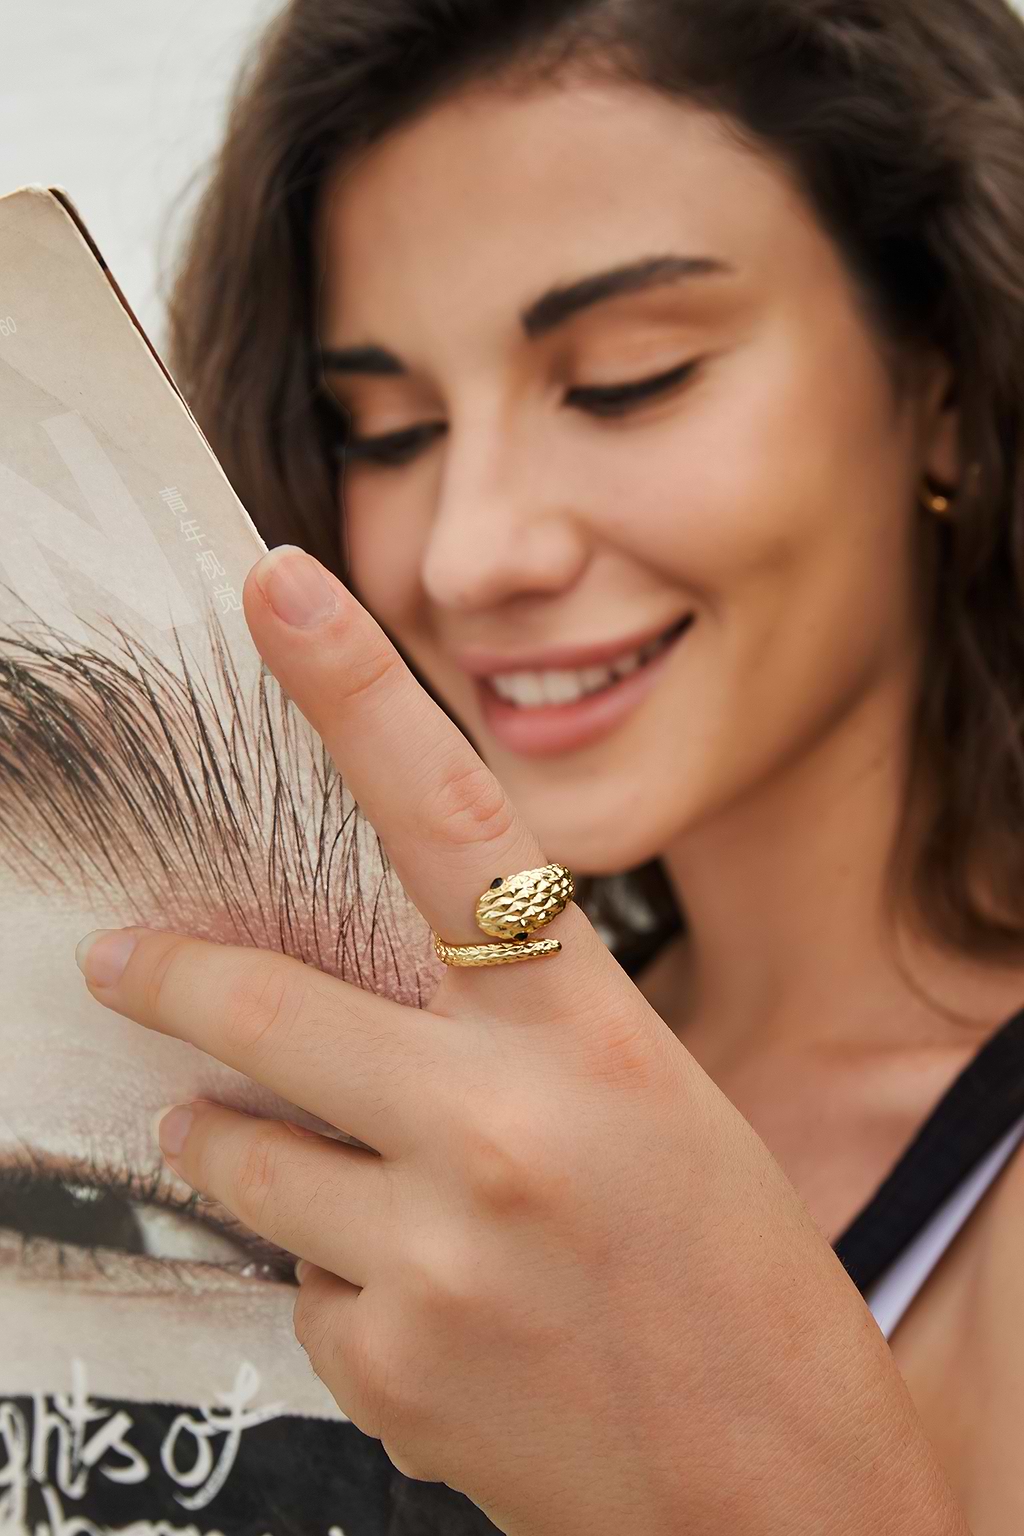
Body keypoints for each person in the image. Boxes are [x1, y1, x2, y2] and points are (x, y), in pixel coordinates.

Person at [140, 0, 1024, 1528]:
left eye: (627, 379)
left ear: (940, 382)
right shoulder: (374, 1103)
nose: (473, 550)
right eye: (393, 429)